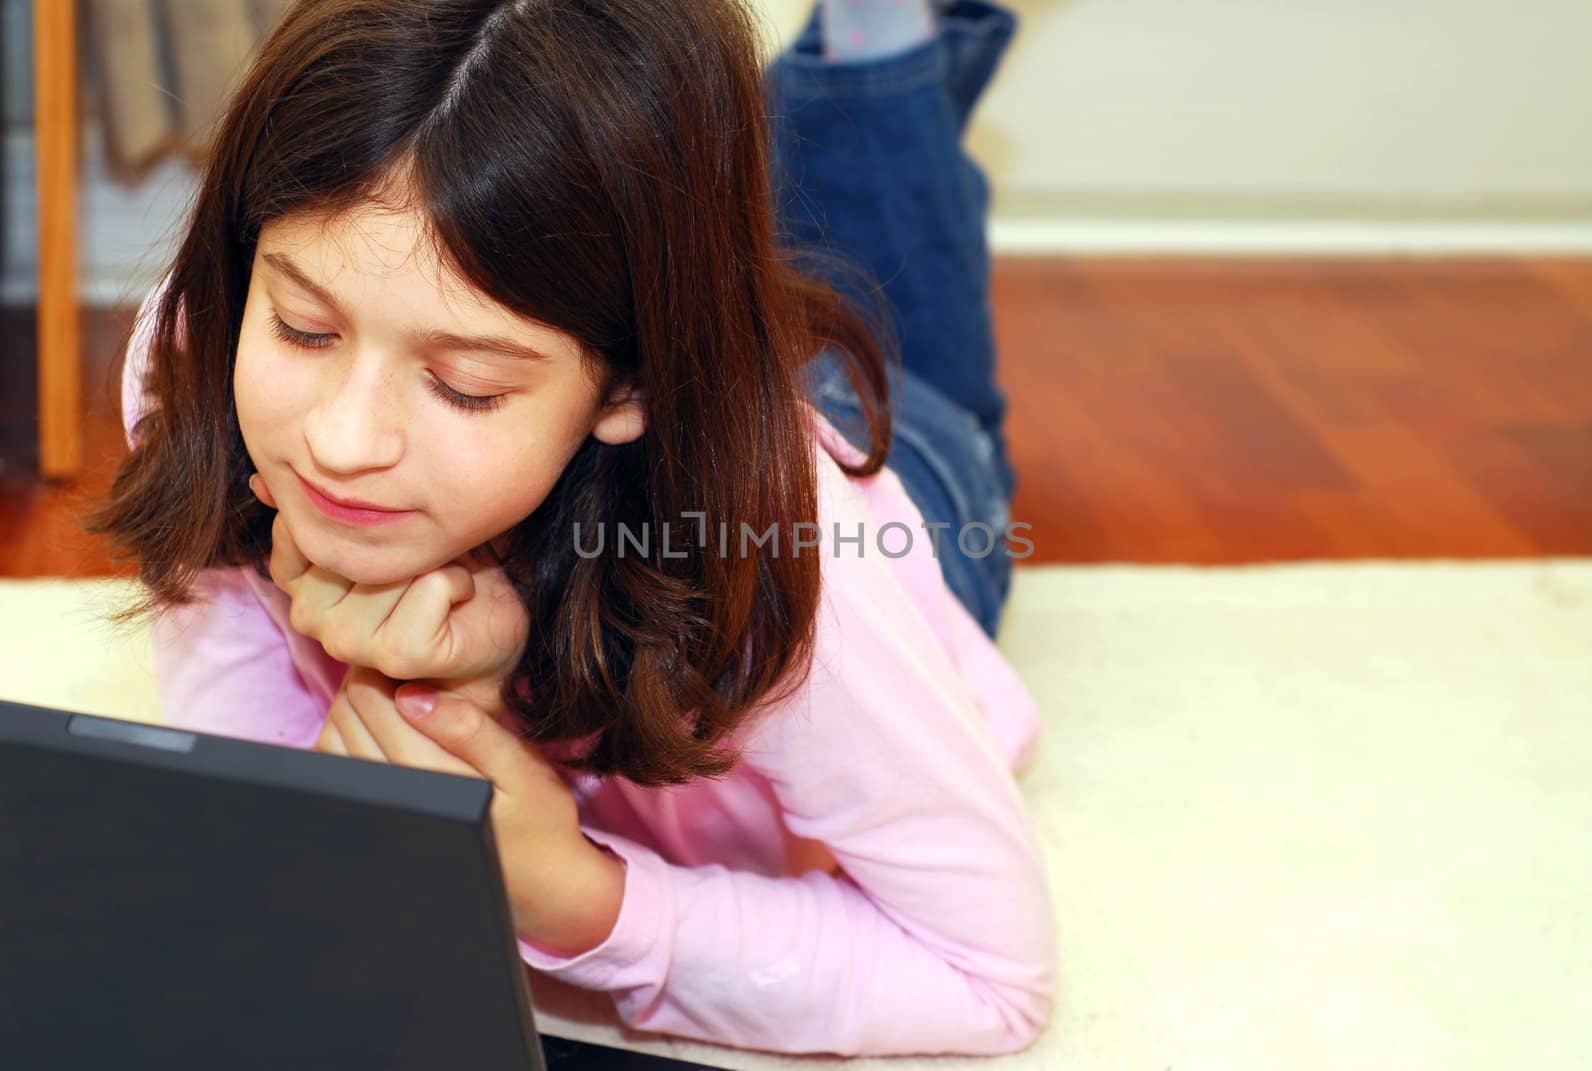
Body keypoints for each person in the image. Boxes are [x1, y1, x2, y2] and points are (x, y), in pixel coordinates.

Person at [91, 0, 1054, 1057]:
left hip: (894, 484)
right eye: (305, 328)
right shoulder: (199, 363)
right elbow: (261, 815)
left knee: (912, 351)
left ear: (629, 383)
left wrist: (579, 897)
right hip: (676, 360)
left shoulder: (787, 565)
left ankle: (879, 49)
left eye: (463, 387)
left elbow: (989, 981)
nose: (340, 440)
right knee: (737, 239)